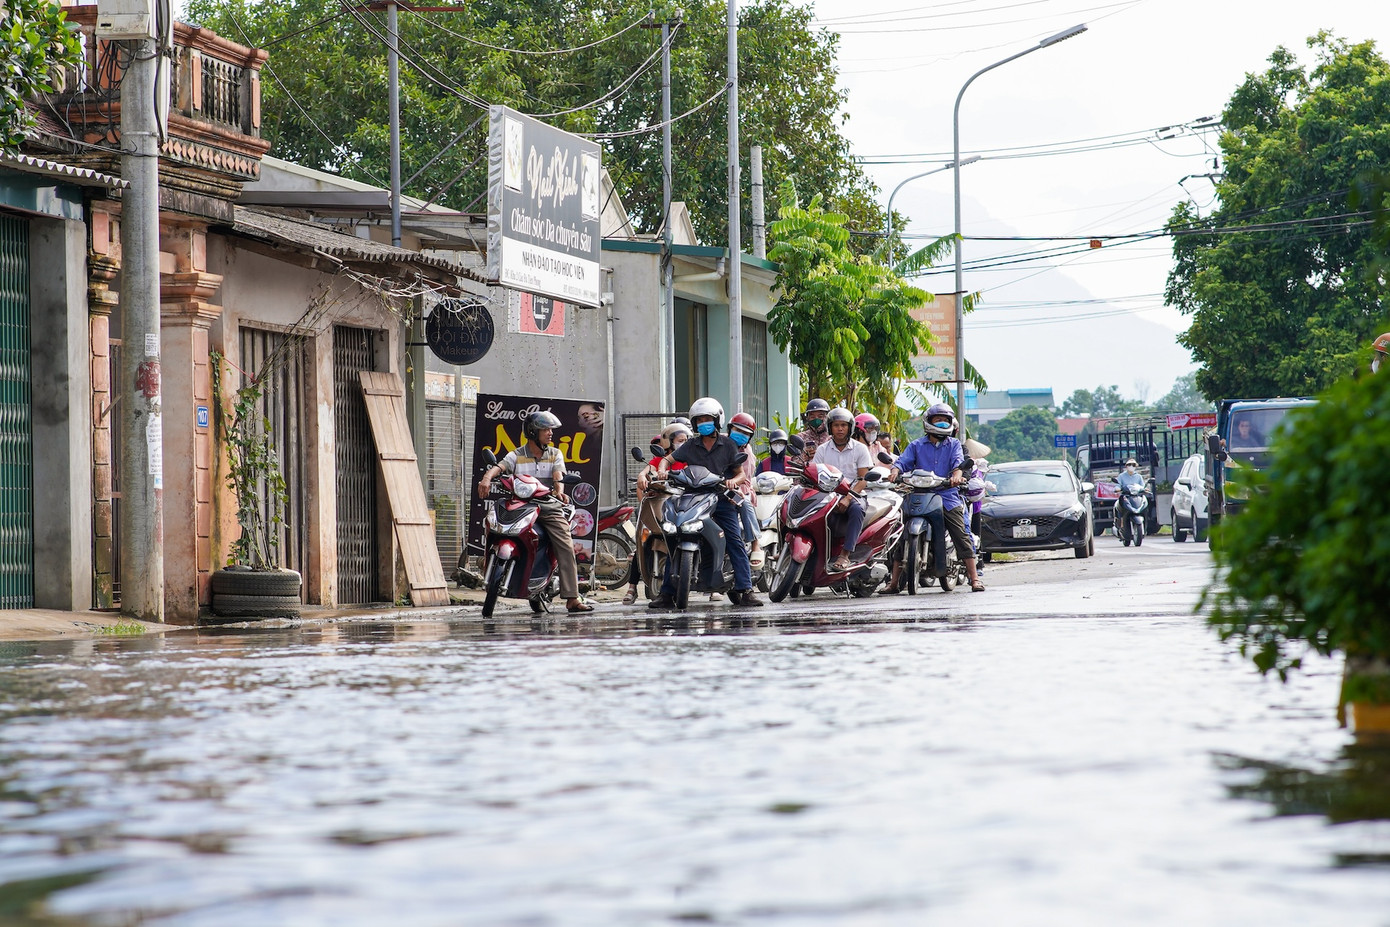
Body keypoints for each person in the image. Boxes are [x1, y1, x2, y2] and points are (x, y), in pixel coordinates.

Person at [649, 398, 764, 608]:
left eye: (707, 419)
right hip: (692, 498)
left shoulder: (728, 444)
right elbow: (668, 459)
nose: (703, 423)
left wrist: (732, 481)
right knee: (673, 539)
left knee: (734, 540)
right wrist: (662, 470)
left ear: (717, 420)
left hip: (720, 498)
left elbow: (740, 474)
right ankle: (666, 593)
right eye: (699, 420)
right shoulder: (691, 445)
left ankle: (746, 589)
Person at [477, 410, 593, 613]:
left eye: (550, 429)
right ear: (532, 432)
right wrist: (487, 478)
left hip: (547, 504)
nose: (550, 433)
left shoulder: (555, 453)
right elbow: (499, 467)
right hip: (520, 504)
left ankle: (572, 598)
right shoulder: (517, 454)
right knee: (493, 525)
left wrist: (559, 491)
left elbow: (558, 476)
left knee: (564, 542)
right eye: (545, 429)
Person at [882, 402, 984, 593]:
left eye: (946, 421)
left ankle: (974, 578)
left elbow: (957, 463)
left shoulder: (954, 445)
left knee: (960, 533)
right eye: (938, 420)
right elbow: (902, 462)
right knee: (900, 534)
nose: (942, 423)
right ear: (928, 422)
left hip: (946, 495)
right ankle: (894, 582)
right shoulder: (916, 445)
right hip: (919, 494)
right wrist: (894, 472)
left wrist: (956, 475)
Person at [622, 422, 689, 605]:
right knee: (642, 542)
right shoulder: (660, 461)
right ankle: (632, 586)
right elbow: (646, 472)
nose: (683, 443)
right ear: (669, 443)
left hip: (684, 508)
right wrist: (643, 478)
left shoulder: (690, 459)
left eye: (685, 440)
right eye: (679, 440)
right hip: (661, 506)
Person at [814, 407, 874, 573]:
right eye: (836, 425)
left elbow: (863, 480)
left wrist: (848, 497)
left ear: (850, 427)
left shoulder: (860, 449)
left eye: (843, 425)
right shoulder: (822, 450)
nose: (840, 429)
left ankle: (845, 555)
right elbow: (816, 475)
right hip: (827, 494)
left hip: (854, 494)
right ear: (830, 427)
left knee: (857, 510)